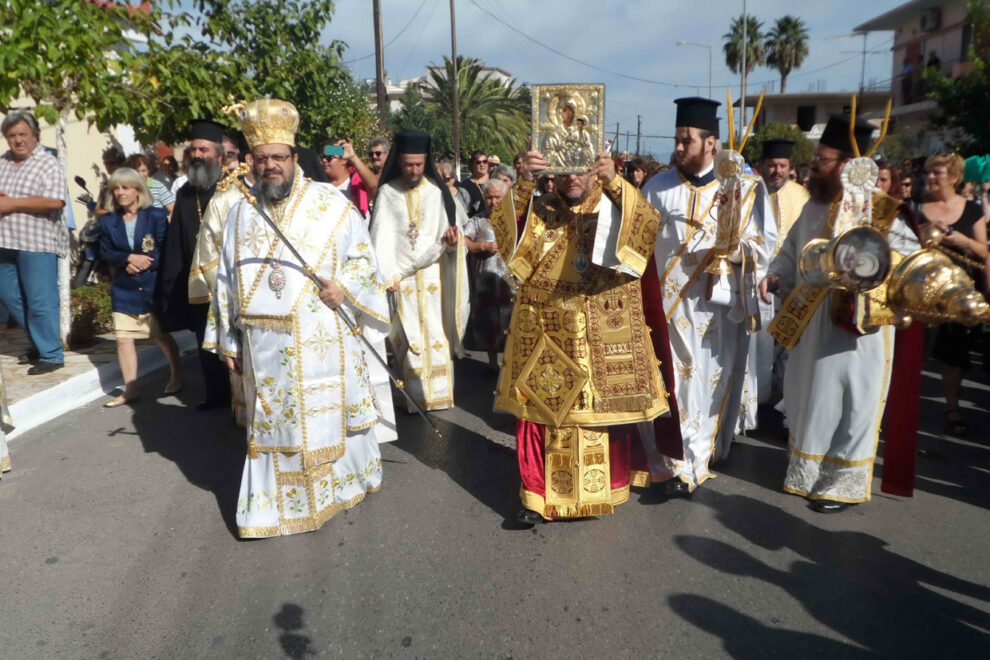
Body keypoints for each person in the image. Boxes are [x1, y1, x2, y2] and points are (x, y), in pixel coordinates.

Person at [205, 99, 389, 538]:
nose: (271, 166)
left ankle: (339, 489)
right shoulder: (237, 214)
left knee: (327, 416)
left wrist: (344, 288)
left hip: (322, 335)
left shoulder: (331, 205)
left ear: (293, 158)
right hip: (264, 349)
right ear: (251, 161)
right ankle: (274, 510)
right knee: (274, 426)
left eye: (279, 158)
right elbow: (225, 280)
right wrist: (228, 342)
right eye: (263, 158)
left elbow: (364, 261)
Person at [490, 150, 676, 524]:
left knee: (600, 407)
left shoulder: (613, 203)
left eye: (581, 171)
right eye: (564, 172)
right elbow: (506, 237)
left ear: (594, 171)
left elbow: (647, 227)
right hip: (547, 327)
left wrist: (616, 182)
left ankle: (607, 484)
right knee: (540, 410)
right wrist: (523, 181)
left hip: (599, 327)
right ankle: (536, 497)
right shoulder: (542, 209)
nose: (572, 179)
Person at [759, 114, 921, 513]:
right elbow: (789, 251)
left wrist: (868, 269)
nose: (814, 165)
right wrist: (775, 274)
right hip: (812, 323)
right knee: (808, 394)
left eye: (823, 159)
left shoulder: (885, 212)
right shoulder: (814, 205)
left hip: (858, 329)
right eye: (816, 158)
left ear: (849, 165)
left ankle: (840, 483)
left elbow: (908, 262)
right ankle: (808, 472)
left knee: (851, 399)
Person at [639, 97, 774, 495]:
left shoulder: (745, 189)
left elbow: (764, 246)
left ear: (712, 143)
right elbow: (638, 243)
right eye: (677, 140)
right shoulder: (657, 187)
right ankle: (674, 463)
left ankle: (695, 462)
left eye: (688, 141)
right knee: (675, 386)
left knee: (707, 386)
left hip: (718, 309)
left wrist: (731, 249)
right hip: (669, 306)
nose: (679, 148)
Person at [369, 130, 469, 411]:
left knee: (436, 333)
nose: (413, 170)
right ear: (398, 162)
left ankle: (438, 395)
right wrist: (387, 275)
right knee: (408, 337)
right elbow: (380, 241)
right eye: (408, 164)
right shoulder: (388, 194)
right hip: (401, 282)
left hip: (432, 277)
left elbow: (448, 239)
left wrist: (452, 244)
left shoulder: (435, 193)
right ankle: (411, 397)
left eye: (418, 164)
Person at [155, 119, 232, 410]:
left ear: (219, 156)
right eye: (194, 149)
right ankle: (216, 395)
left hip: (230, 279)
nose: (197, 154)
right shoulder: (186, 192)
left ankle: (241, 397)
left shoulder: (233, 189)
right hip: (199, 280)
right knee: (204, 338)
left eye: (204, 149)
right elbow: (176, 240)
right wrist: (172, 281)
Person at [97, 168, 181, 407]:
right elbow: (106, 252)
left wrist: (146, 261)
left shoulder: (154, 216)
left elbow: (165, 247)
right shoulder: (108, 220)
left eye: (126, 187)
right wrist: (129, 259)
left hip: (152, 285)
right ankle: (131, 388)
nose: (121, 193)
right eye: (116, 188)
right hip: (124, 287)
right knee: (123, 339)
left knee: (160, 335)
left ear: (137, 189)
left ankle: (176, 375)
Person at [918, 153, 989, 436]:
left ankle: (952, 408)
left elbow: (984, 252)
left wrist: (963, 241)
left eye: (938, 173)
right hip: (919, 290)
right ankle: (903, 406)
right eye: (929, 173)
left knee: (951, 353)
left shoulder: (971, 209)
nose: (931, 178)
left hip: (955, 293)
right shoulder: (916, 206)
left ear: (955, 177)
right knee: (912, 352)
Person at [0, 110, 69, 375]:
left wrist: (12, 203)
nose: (18, 140)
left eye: (22, 134)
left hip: (36, 242)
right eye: (12, 136)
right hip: (5, 241)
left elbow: (54, 201)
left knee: (40, 300)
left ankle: (51, 354)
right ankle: (40, 343)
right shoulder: (3, 162)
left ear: (34, 135)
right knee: (10, 296)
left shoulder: (47, 162)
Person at [754, 138, 810, 410]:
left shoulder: (803, 196)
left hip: (791, 283)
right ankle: (756, 399)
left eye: (782, 165)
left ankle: (786, 406)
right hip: (755, 281)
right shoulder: (750, 192)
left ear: (790, 167)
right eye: (772, 165)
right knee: (757, 342)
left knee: (789, 345)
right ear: (763, 166)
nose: (777, 171)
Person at [462, 178, 514, 367]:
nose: (493, 202)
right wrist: (482, 246)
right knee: (488, 322)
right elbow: (464, 241)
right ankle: (492, 364)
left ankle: (510, 365)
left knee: (511, 322)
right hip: (485, 282)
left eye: (498, 197)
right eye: (489, 197)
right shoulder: (478, 220)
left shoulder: (514, 220)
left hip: (510, 281)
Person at [456, 149, 489, 217]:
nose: (482, 164)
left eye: (485, 161)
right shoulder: (465, 186)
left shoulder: (495, 178)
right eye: (478, 162)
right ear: (472, 165)